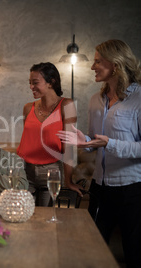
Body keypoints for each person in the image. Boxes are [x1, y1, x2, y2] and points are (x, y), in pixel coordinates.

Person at [57, 39, 141, 268]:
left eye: (97, 62)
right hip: (100, 188)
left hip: (132, 190)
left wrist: (110, 144)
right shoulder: (95, 100)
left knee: (134, 254)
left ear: (115, 64)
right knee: (89, 250)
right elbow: (96, 141)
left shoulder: (139, 99)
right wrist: (84, 141)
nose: (93, 67)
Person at [16, 62, 79, 207]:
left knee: (45, 217)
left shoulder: (66, 105)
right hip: (25, 170)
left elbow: (68, 146)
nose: (31, 86)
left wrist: (68, 180)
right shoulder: (28, 108)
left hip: (51, 172)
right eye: (30, 83)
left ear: (51, 82)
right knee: (24, 214)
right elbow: (28, 140)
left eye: (35, 82)